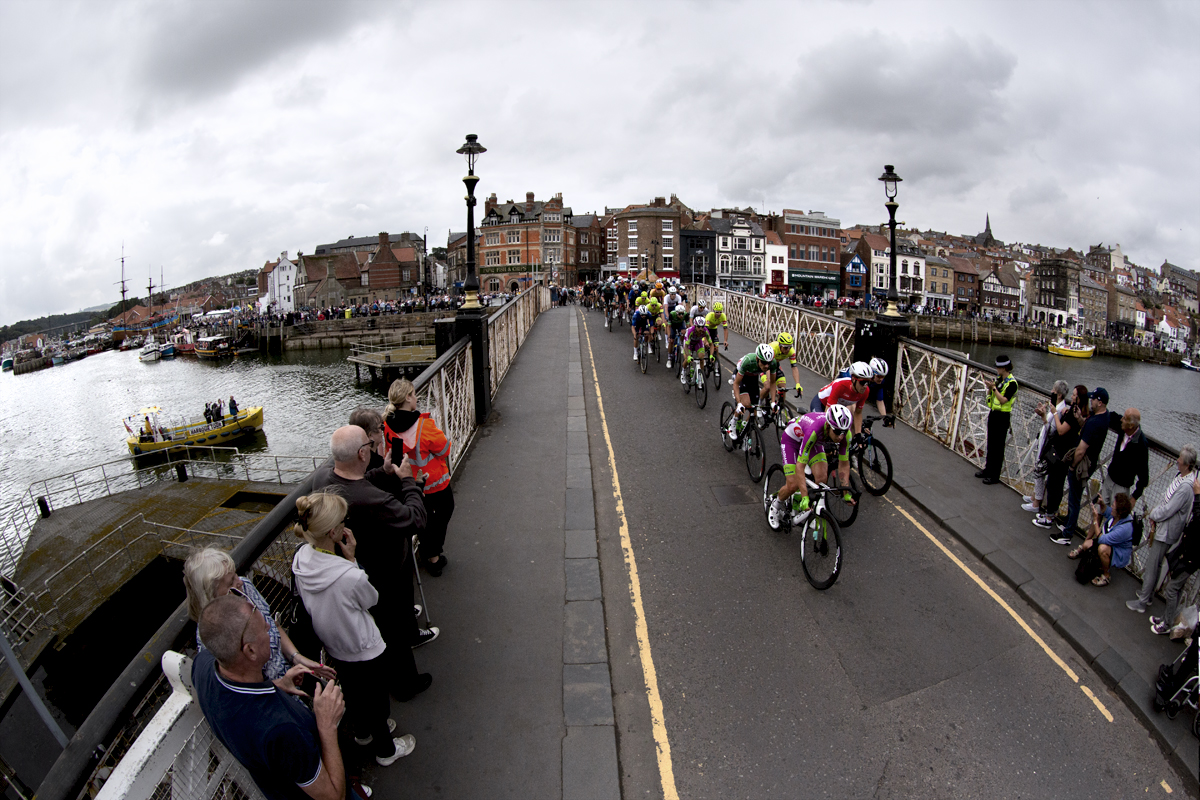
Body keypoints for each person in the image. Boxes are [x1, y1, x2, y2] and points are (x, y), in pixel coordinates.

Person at [291, 491, 416, 766]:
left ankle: (363, 733)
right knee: (376, 698)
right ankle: (386, 750)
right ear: (335, 531)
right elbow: (371, 599)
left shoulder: (300, 559)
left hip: (335, 644)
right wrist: (352, 560)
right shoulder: (348, 574)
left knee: (355, 693)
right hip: (363, 645)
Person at [312, 426, 436, 699]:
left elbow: (355, 481)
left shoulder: (323, 477)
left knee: (383, 629)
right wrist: (408, 481)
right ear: (363, 452)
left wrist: (384, 471)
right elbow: (415, 519)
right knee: (394, 631)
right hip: (383, 573)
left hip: (357, 567)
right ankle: (405, 685)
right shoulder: (372, 500)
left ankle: (398, 676)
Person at [193, 594, 353, 800]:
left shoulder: (203, 665)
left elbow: (239, 702)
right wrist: (327, 725)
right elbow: (333, 797)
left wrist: (277, 685)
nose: (270, 629)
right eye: (264, 630)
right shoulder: (281, 731)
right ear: (250, 650)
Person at [183, 547, 335, 687]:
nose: (239, 582)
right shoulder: (212, 636)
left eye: (235, 574)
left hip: (290, 674)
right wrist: (281, 684)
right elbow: (238, 688)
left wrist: (296, 657)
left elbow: (273, 625)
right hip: (270, 695)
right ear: (212, 596)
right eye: (231, 583)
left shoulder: (245, 588)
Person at [384, 379, 454, 576]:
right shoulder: (424, 426)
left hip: (411, 485)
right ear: (407, 398)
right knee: (443, 513)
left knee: (423, 519)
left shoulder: (389, 426)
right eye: (414, 394)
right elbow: (444, 449)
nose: (416, 398)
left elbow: (396, 457)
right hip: (435, 482)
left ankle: (428, 551)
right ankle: (433, 556)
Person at [1127, 444, 1198, 614]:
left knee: (1152, 565)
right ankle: (1148, 595)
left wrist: (1153, 515)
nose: (1177, 460)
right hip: (1168, 529)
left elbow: (1168, 509)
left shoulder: (1185, 487)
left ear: (1187, 465)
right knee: (1156, 565)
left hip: (1166, 531)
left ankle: (1142, 602)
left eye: (1180, 459)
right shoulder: (1185, 479)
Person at [768, 405, 855, 529]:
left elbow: (844, 464)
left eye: (844, 432)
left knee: (821, 477)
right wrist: (805, 496)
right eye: (837, 431)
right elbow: (800, 466)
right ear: (829, 426)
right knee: (793, 485)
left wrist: (845, 492)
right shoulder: (815, 429)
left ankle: (812, 512)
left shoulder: (845, 435)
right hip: (792, 440)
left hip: (814, 443)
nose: (840, 436)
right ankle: (775, 505)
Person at [1053, 387, 1110, 542]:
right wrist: (1080, 419)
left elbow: (1081, 450)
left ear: (1099, 402)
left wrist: (1072, 466)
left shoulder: (1095, 423)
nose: (1090, 401)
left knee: (1074, 498)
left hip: (1082, 464)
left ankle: (1067, 533)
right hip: (1090, 461)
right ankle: (1068, 524)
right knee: (1075, 496)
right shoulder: (1105, 417)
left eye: (1093, 399)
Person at [1151, 473, 1200, 634]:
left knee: (1172, 589)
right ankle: (1167, 618)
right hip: (1188, 554)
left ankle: (1166, 625)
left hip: (1191, 558)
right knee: (1176, 588)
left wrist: (1198, 496)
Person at [1035, 385, 1087, 531]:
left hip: (1062, 453)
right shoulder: (1073, 411)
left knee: (1055, 482)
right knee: (1052, 480)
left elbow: (1061, 430)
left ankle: (1050, 515)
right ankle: (1050, 512)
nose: (1073, 397)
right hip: (1057, 449)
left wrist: (1055, 413)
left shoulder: (1074, 414)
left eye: (1075, 395)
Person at [1022, 380, 1070, 515]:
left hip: (1047, 444)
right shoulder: (1056, 407)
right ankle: (1034, 496)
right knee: (1038, 470)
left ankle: (1037, 502)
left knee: (1039, 470)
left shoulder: (1060, 410)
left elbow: (1052, 429)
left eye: (1053, 391)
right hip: (1044, 441)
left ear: (1059, 394)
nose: (1051, 393)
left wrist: (1044, 416)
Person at [1067, 492, 1134, 587]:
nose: (1111, 506)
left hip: (1117, 552)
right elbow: (1106, 511)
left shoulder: (1124, 528)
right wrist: (1102, 504)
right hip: (1109, 544)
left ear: (1119, 512)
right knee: (1086, 545)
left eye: (1113, 505)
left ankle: (1106, 575)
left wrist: (1095, 520)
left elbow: (1102, 539)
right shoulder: (1116, 515)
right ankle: (1097, 562)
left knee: (1102, 549)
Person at [976, 355, 1018, 485]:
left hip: (1003, 416)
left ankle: (994, 476)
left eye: (998, 367)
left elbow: (1003, 400)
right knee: (991, 444)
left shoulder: (1012, 383)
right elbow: (993, 398)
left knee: (998, 447)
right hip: (994, 413)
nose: (996, 369)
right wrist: (990, 389)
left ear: (1004, 368)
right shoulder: (999, 380)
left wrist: (994, 388)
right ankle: (988, 470)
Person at [1101, 407, 1149, 506]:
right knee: (1100, 508)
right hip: (1110, 478)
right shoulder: (1123, 427)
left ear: (1131, 425)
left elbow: (1144, 476)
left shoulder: (1141, 445)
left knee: (1115, 516)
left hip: (1122, 487)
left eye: (1125, 418)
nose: (1122, 420)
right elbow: (1112, 416)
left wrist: (1135, 497)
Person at [811, 362, 872, 435]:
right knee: (821, 428)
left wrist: (858, 433)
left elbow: (858, 413)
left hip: (838, 408)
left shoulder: (866, 391)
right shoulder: (840, 385)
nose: (865, 386)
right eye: (863, 382)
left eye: (868, 382)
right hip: (821, 403)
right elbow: (828, 411)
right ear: (853, 379)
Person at [348, 406, 386, 471]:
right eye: (381, 427)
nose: (382, 430)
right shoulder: (377, 464)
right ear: (370, 435)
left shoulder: (349, 456)